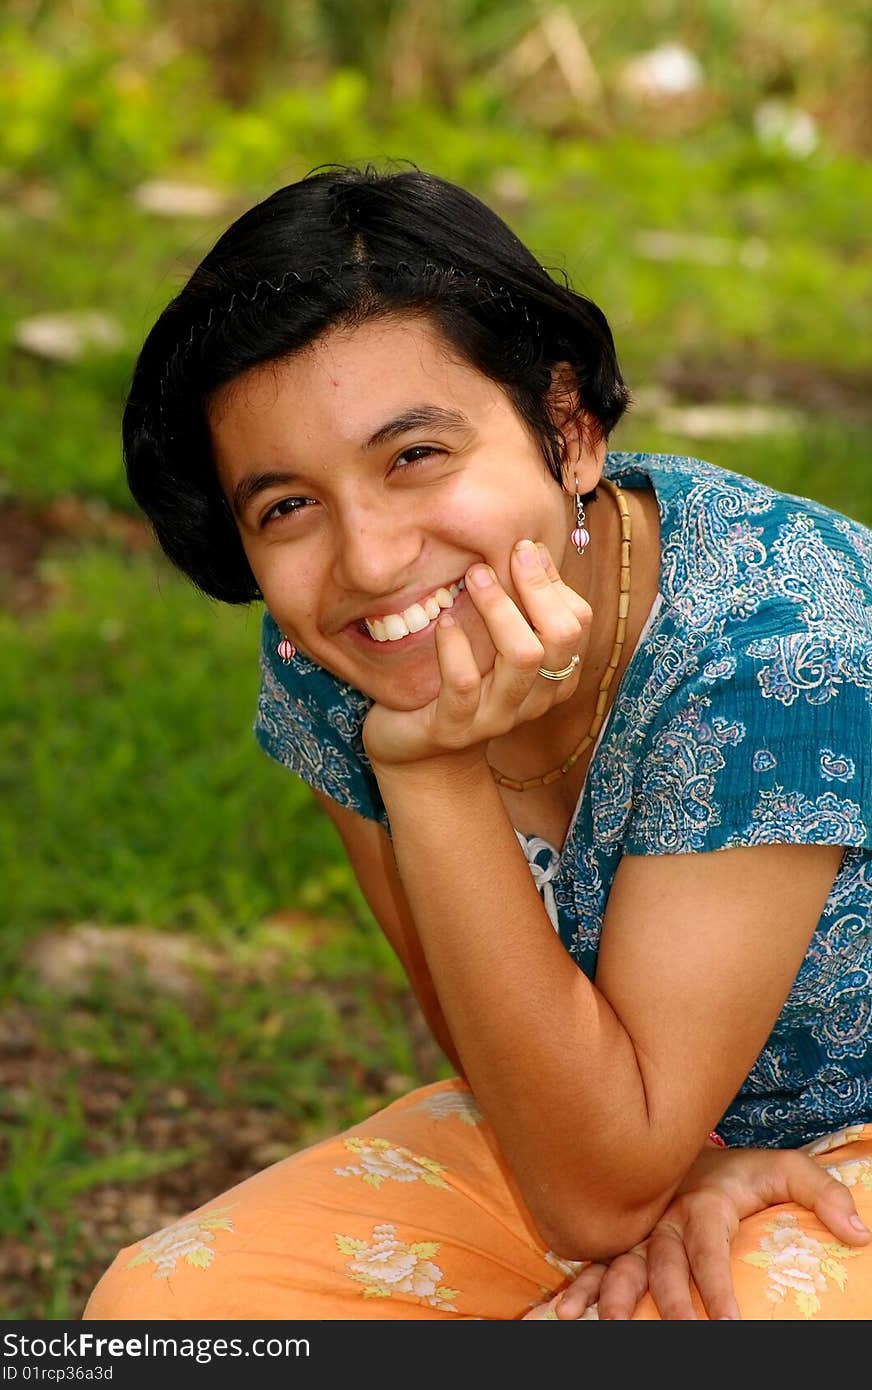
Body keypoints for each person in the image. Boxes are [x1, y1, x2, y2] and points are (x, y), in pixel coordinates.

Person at [84, 165, 872, 1321]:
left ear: (567, 427)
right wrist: (666, 1170)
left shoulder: (779, 647)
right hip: (606, 1139)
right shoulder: (337, 653)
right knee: (162, 1317)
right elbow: (498, 1055)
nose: (367, 559)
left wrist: (431, 773)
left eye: (414, 456)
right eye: (286, 505)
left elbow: (593, 1199)